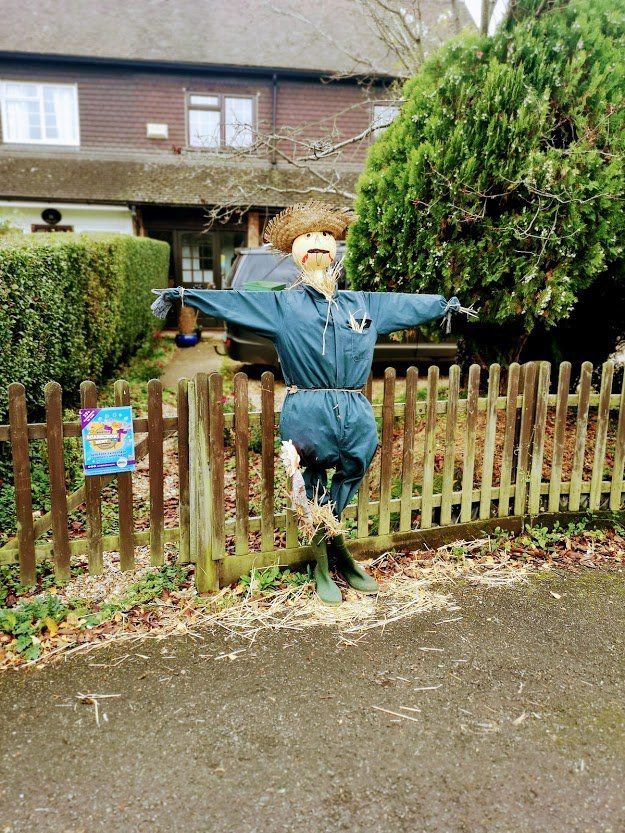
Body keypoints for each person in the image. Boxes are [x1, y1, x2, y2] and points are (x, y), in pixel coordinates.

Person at [152, 201, 474, 604]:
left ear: (336, 246)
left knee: (354, 467)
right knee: (311, 484)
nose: (319, 244)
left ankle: (334, 545)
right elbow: (233, 301)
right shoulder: (283, 305)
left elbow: (403, 303)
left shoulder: (363, 304)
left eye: (325, 237)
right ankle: (328, 562)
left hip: (354, 407)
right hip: (307, 408)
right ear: (294, 250)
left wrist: (442, 304)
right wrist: (184, 295)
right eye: (308, 238)